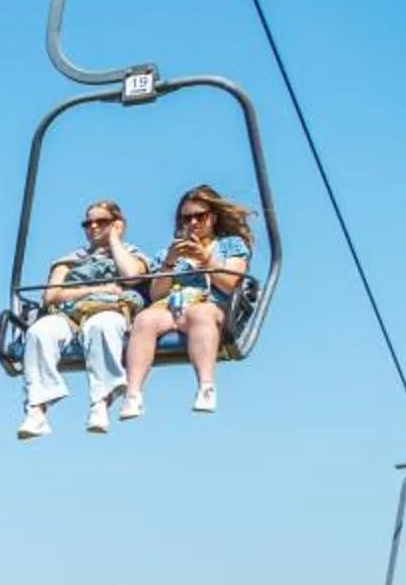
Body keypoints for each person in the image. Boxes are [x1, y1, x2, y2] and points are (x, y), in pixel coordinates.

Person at [18, 199, 149, 440]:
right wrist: (94, 290)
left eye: (102, 222)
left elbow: (131, 277)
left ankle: (100, 401)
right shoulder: (70, 259)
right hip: (69, 312)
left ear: (117, 224)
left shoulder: (131, 254)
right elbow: (51, 295)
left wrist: (114, 241)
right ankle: (36, 408)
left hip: (110, 310)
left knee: (101, 326)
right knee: (39, 332)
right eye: (88, 223)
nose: (94, 227)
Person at [121, 184, 255, 419]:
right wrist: (170, 263)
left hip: (210, 303)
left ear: (212, 218)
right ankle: (133, 394)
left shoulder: (229, 246)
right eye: (187, 219)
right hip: (172, 306)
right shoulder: (170, 252)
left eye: (199, 217)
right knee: (144, 319)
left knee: (200, 314)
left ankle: (206, 386)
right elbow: (156, 294)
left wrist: (206, 262)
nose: (193, 223)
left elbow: (232, 283)